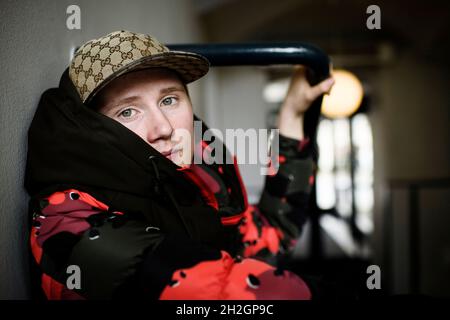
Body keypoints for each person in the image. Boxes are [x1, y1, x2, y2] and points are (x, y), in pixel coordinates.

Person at [25, 30, 334, 300]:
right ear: (93, 130)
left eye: (169, 100)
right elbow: (217, 289)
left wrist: (290, 115)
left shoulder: (196, 173)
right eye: (127, 112)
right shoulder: (67, 220)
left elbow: (268, 238)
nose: (163, 128)